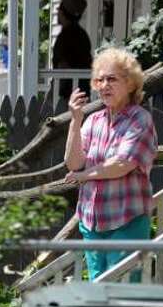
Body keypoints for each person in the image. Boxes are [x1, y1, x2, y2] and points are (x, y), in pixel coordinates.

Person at [63, 47, 157, 280]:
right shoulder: (93, 120)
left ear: (131, 83)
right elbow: (73, 163)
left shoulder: (140, 119)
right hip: (92, 224)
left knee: (122, 294)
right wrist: (76, 120)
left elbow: (122, 163)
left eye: (112, 79)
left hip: (126, 222)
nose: (104, 85)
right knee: (99, 292)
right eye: (100, 80)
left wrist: (84, 176)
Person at [52, 0, 93, 99]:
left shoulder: (66, 36)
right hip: (82, 93)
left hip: (68, 97)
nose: (57, 12)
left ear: (64, 12)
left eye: (59, 8)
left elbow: (63, 67)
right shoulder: (82, 34)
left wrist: (53, 95)